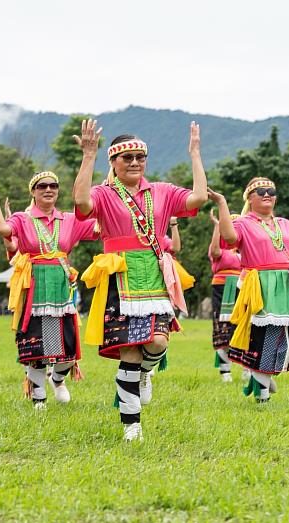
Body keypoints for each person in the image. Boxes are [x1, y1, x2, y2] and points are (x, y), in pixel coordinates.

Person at [73, 119, 207, 442]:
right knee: (128, 352)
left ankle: (147, 373)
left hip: (155, 275)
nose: (134, 163)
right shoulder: (104, 194)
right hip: (121, 277)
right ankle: (132, 425)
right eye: (127, 158)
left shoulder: (161, 191)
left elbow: (199, 198)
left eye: (140, 157)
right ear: (114, 163)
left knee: (158, 342)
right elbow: (80, 204)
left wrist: (195, 154)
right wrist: (88, 156)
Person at [214, 177, 289, 403]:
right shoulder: (243, 223)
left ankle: (263, 373)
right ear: (250, 198)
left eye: (271, 190)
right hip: (259, 285)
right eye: (261, 191)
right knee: (264, 338)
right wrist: (222, 204)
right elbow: (229, 237)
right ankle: (262, 397)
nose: (267, 194)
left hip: (286, 286)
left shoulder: (285, 224)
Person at [0, 171, 97, 409]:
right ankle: (39, 400)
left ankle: (58, 379)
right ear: (33, 191)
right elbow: (2, 230)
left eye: (53, 185)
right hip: (33, 286)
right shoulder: (23, 219)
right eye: (42, 186)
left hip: (61, 287)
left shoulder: (69, 219)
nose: (48, 189)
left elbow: (98, 228)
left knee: (68, 347)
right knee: (36, 346)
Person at [208, 207, 243, 382]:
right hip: (222, 288)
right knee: (223, 326)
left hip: (241, 287)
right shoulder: (220, 250)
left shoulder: (243, 251)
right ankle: (225, 371)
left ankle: (247, 367)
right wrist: (216, 226)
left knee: (243, 327)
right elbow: (214, 251)